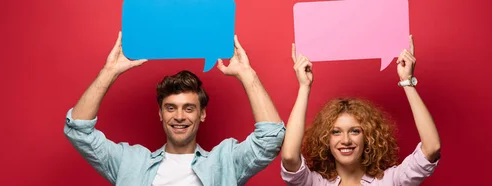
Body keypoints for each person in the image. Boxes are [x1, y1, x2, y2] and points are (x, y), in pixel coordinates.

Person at [64, 31, 286, 186]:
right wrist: (109, 71)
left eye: (189, 109)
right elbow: (78, 131)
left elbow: (270, 139)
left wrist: (248, 75)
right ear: (160, 114)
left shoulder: (225, 162)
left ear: (202, 114)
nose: (179, 116)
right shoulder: (129, 163)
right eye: (171, 108)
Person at [280, 36, 441, 186]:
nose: (346, 140)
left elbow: (431, 148)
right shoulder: (314, 182)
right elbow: (289, 157)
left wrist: (407, 82)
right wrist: (304, 86)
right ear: (325, 141)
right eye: (336, 132)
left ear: (368, 137)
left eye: (355, 131)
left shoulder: (390, 180)